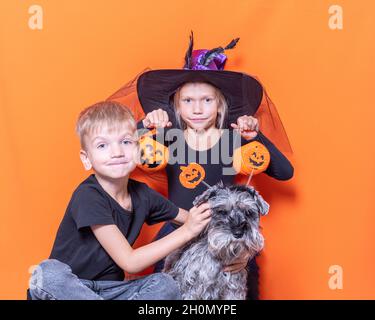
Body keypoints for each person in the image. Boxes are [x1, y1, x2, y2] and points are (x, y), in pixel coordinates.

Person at [134, 34, 294, 299]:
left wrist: (256, 137)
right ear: (176, 105)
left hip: (228, 230)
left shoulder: (232, 139)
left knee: (238, 286)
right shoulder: (168, 136)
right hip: (179, 230)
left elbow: (285, 172)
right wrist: (145, 126)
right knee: (165, 291)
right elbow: (119, 155)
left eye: (207, 100)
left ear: (220, 105)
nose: (197, 109)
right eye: (188, 101)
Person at [28, 100, 211, 300]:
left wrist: (236, 253)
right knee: (49, 273)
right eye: (102, 145)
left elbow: (196, 221)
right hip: (71, 289)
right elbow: (130, 262)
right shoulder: (88, 196)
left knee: (165, 283)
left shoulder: (143, 194)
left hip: (113, 291)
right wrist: (187, 231)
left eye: (125, 142)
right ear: (86, 159)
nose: (117, 152)